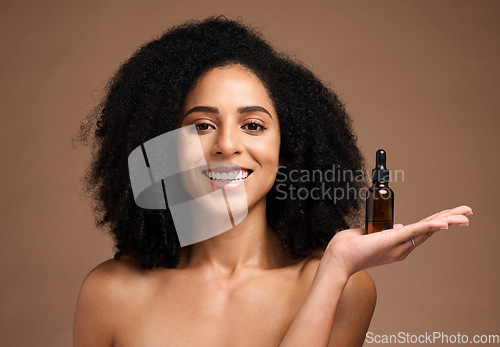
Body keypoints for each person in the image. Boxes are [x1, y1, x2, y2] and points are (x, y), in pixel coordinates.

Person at [73, 16, 471, 346]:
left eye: (253, 125)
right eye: (202, 126)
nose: (227, 144)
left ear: (289, 148)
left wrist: (334, 268)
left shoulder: (343, 288)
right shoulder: (109, 294)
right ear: (163, 148)